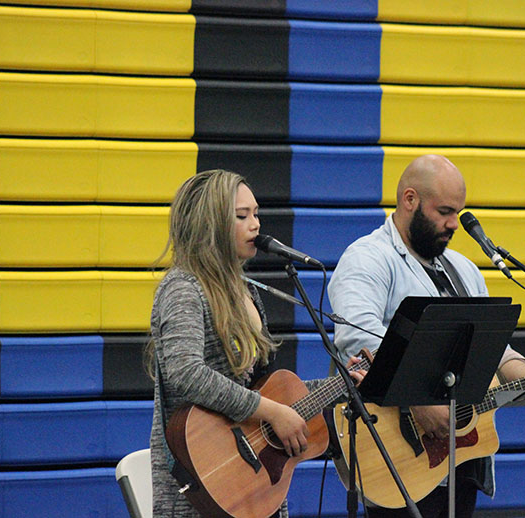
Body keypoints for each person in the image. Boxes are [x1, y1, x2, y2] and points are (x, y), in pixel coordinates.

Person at [327, 155, 525, 518]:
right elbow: (356, 337)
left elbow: (494, 351)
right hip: (398, 457)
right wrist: (417, 400)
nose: (455, 224)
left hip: (461, 461)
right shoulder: (367, 258)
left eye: (459, 212)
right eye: (445, 212)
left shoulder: (464, 271)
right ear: (410, 200)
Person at [146, 169, 366, 518]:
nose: (256, 225)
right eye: (241, 216)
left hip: (255, 481)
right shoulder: (182, 288)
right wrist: (271, 411)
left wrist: (340, 385)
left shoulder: (247, 292)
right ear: (210, 224)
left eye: (256, 214)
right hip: (203, 484)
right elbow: (184, 372)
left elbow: (264, 393)